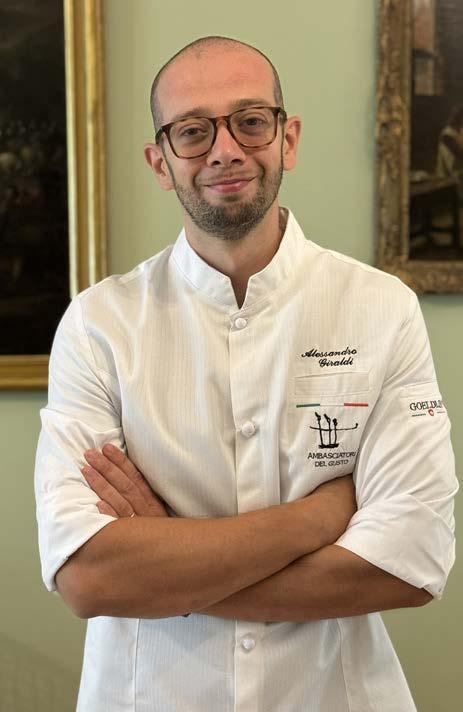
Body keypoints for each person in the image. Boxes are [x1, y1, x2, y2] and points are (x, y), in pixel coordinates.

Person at [34, 36, 457, 712]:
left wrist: (167, 564)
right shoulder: (98, 324)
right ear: (160, 162)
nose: (224, 149)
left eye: (250, 121)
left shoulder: (381, 308)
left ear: (287, 139)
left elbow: (409, 565)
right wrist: (321, 515)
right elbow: (88, 577)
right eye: (192, 131)